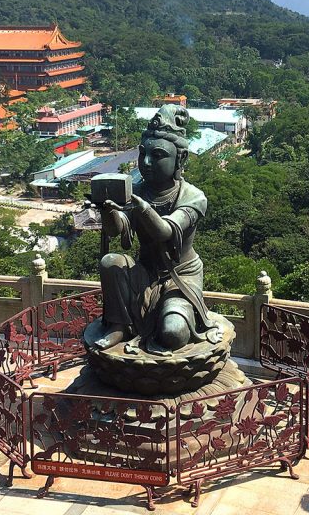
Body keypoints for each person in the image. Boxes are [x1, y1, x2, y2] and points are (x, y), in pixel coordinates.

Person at [93, 104, 218, 354]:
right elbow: (118, 231)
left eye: (158, 155)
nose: (147, 163)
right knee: (110, 262)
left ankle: (176, 316)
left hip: (180, 277)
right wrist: (108, 211)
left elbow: (164, 232)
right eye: (143, 154)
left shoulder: (192, 197)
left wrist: (142, 206)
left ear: (180, 159)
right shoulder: (137, 190)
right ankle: (120, 325)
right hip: (144, 272)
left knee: (173, 333)